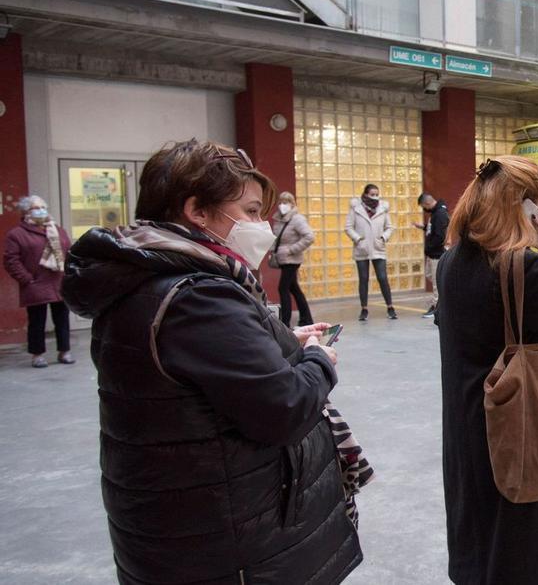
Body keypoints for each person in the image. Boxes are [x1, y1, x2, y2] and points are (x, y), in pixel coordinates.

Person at [61, 140, 363, 584]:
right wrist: (318, 360)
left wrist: (278, 341)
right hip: (229, 544)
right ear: (197, 211)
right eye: (251, 211)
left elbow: (205, 366)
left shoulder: (145, 279)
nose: (262, 225)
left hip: (184, 529)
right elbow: (283, 407)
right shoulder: (200, 295)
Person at [436, 156, 538, 585]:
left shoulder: (452, 260)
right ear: (523, 208)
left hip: (469, 421)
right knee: (524, 546)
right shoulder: (519, 265)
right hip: (519, 422)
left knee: (483, 537)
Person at [4, 195, 73, 368]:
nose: (41, 210)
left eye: (43, 206)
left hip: (59, 281)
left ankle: (64, 351)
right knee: (37, 320)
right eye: (36, 207)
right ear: (26, 212)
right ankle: (37, 354)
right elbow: (11, 260)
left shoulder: (57, 229)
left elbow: (69, 251)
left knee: (62, 320)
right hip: (36, 284)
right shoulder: (17, 234)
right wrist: (27, 279)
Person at [346, 184, 397, 321]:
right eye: (372, 194)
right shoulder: (356, 208)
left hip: (378, 247)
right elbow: (348, 227)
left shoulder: (383, 208)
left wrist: (383, 237)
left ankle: (390, 307)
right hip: (361, 248)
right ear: (366, 194)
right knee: (363, 279)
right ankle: (364, 309)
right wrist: (358, 239)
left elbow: (390, 227)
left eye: (377, 194)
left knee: (382, 277)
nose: (375, 196)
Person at [272, 191, 315, 327]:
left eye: (286, 202)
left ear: (292, 204)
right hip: (283, 259)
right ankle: (306, 319)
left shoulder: (297, 219)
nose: (282, 205)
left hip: (292, 259)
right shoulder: (279, 219)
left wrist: (291, 250)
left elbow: (309, 236)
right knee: (294, 288)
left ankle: (285, 322)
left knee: (282, 288)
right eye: (280, 202)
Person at [415, 192, 450, 318]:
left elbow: (440, 236)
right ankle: (438, 303)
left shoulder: (439, 214)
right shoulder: (435, 213)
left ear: (427, 203)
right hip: (432, 253)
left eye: (423, 206)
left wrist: (430, 247)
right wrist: (424, 227)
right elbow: (434, 230)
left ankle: (437, 307)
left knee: (436, 281)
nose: (424, 209)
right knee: (430, 275)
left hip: (437, 253)